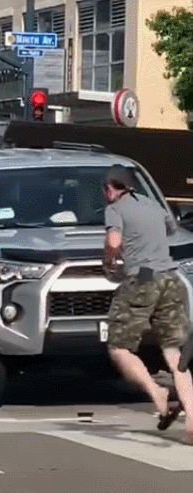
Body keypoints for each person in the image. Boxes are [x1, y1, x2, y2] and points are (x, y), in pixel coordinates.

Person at [102, 164, 193, 445]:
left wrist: (110, 258)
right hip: (169, 278)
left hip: (142, 279)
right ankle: (192, 419)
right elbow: (170, 228)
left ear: (109, 188)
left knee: (119, 348)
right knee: (174, 353)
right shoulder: (152, 204)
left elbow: (114, 241)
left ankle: (156, 392)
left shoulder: (115, 208)